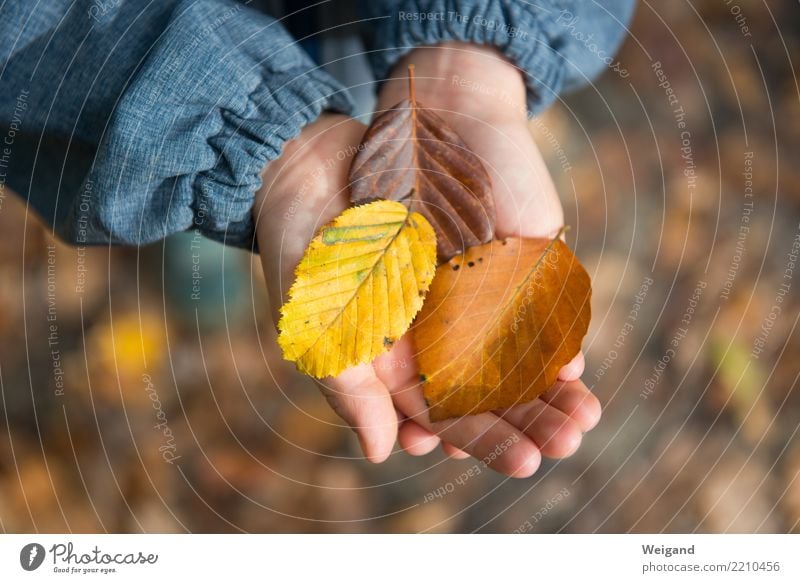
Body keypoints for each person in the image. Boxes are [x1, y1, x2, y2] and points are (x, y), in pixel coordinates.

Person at [0, 0, 636, 477]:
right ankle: (213, 173)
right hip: (144, 47)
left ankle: (236, 170)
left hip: (361, 28)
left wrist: (468, 46)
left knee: (351, 103)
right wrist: (249, 132)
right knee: (230, 159)